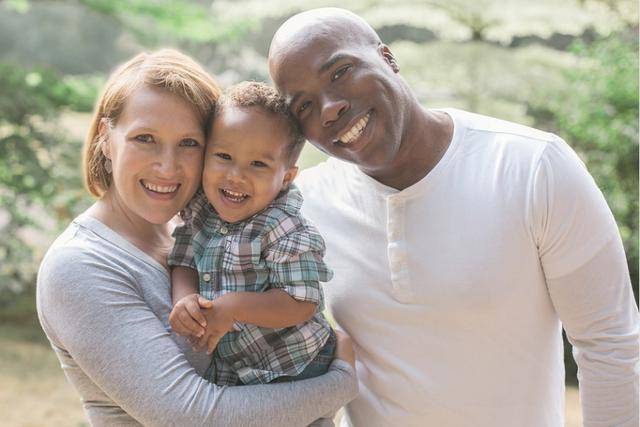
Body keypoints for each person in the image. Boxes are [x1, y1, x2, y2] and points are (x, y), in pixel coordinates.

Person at [267, 7, 639, 427]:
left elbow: (609, 343)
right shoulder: (301, 209)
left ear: (387, 58)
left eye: (340, 72)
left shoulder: (534, 167)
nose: (329, 108)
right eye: (304, 105)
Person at [36, 49, 358, 426]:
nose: (167, 166)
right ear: (107, 139)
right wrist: (342, 382)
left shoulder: (199, 234)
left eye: (189, 143)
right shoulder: (80, 266)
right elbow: (193, 417)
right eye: (145, 138)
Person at [168, 81, 336, 387]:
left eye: (258, 164)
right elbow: (184, 260)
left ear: (286, 177)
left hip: (295, 363)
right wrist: (185, 299)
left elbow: (301, 302)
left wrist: (233, 307)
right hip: (239, 369)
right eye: (224, 157)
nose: (236, 176)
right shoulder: (200, 210)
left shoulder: (284, 227)